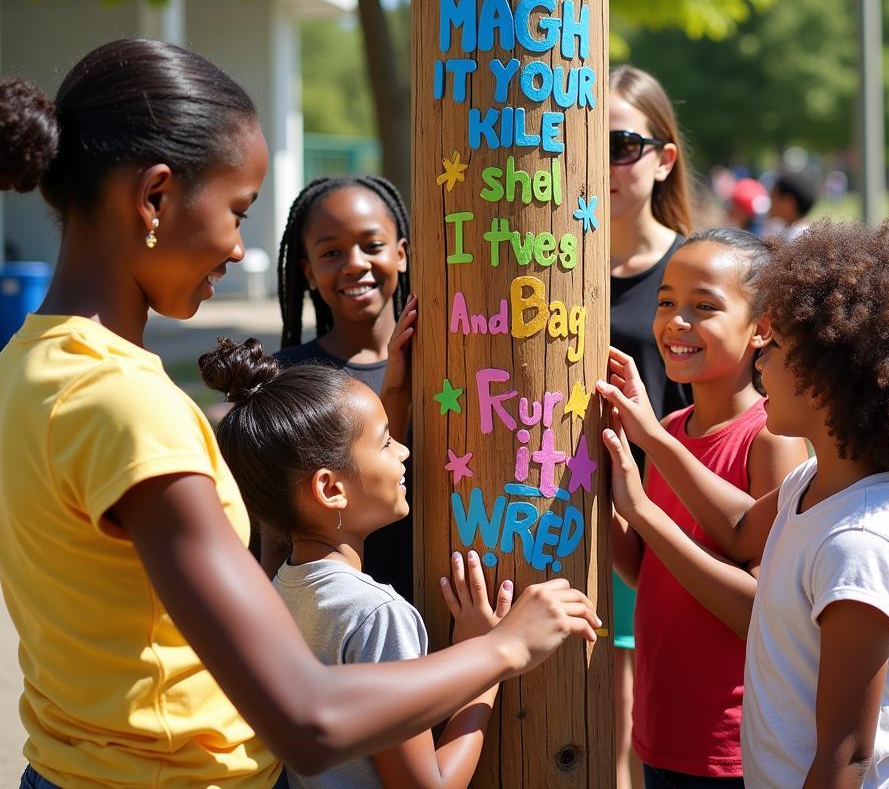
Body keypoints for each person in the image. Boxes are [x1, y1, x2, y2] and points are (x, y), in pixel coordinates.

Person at [0, 41, 600, 789]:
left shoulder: (25, 366)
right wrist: (505, 647)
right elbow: (311, 719)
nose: (237, 246)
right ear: (155, 199)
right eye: (236, 211)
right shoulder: (127, 405)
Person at [598, 222, 889, 788]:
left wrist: (645, 500)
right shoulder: (814, 483)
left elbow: (848, 756)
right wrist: (646, 457)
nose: (761, 363)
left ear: (827, 379)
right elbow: (739, 526)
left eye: (778, 348)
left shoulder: (861, 546)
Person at [200, 336, 512, 788]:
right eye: (386, 444)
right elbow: (429, 785)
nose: (404, 452)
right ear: (331, 490)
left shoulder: (278, 592)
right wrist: (487, 659)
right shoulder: (376, 617)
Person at [614, 229, 808, 787]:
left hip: (731, 743)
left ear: (762, 328)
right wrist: (597, 488)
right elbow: (649, 572)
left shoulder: (771, 438)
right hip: (661, 729)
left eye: (704, 307)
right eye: (667, 302)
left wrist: (647, 459)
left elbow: (759, 608)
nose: (677, 321)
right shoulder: (673, 428)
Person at [608, 65, 693, 788]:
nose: (600, 161)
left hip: (663, 523)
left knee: (641, 723)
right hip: (554, 516)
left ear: (665, 158)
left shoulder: (696, 268)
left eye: (620, 144)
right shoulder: (546, 257)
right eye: (582, 141)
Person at [275, 175, 416, 599]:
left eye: (372, 245)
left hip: (450, 618)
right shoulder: (287, 378)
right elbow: (273, 535)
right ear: (309, 273)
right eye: (332, 252)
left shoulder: (450, 360)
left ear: (402, 254)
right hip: (341, 624)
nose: (355, 263)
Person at [767, 170, 817, 241]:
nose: (770, 203)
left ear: (788, 204)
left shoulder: (797, 239)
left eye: (773, 198)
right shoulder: (792, 231)